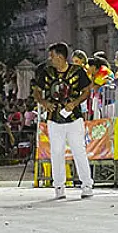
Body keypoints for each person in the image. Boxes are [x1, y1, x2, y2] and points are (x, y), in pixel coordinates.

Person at [33, 42, 94, 200]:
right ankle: (59, 186)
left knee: (78, 150)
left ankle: (87, 184)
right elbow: (37, 90)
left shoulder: (78, 71)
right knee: (57, 152)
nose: (50, 59)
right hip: (54, 118)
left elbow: (87, 90)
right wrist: (44, 102)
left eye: (52, 56)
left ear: (60, 57)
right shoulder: (47, 72)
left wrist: (75, 102)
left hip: (74, 118)